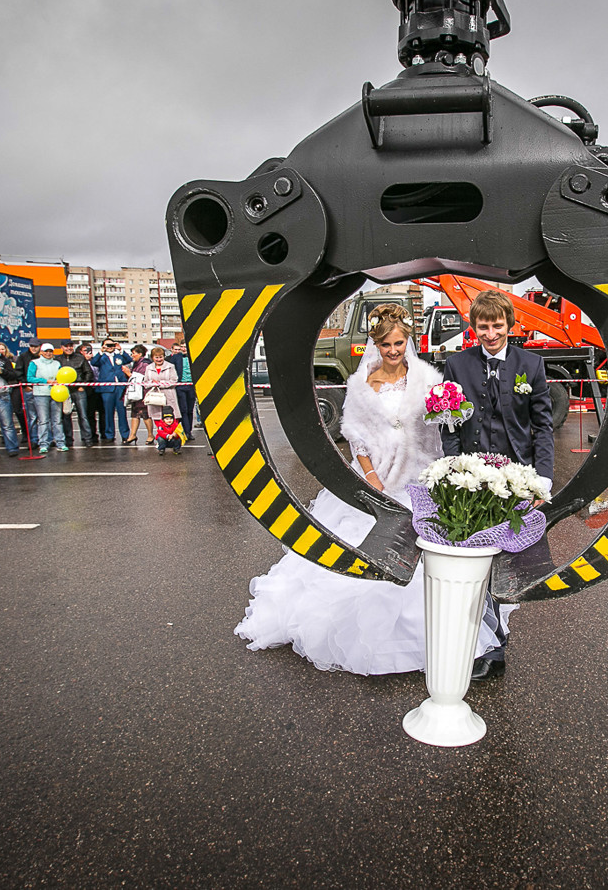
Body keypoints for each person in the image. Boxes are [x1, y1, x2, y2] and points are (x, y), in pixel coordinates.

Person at [235, 303, 513, 675]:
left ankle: (450, 635)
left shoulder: (427, 378)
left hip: (419, 475)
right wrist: (370, 477)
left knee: (434, 553)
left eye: (399, 343)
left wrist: (452, 413)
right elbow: (356, 436)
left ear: (407, 342)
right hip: (378, 477)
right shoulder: (361, 384)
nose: (393, 351)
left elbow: (442, 425)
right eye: (386, 345)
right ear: (376, 345)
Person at [440, 289, 554, 680]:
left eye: (497, 325)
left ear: (510, 325)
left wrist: (542, 478)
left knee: (505, 563)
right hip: (471, 480)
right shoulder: (457, 365)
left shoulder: (532, 365)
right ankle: (487, 646)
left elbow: (543, 428)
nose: (490, 334)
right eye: (483, 326)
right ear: (473, 327)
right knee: (475, 561)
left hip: (516, 480)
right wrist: (453, 469)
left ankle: (494, 642)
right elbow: (449, 424)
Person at [26, 343, 68, 453]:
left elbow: (61, 376)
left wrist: (59, 381)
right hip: (41, 394)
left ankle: (60, 442)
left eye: (50, 351)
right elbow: (30, 378)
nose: (48, 353)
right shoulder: (34, 363)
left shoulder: (57, 363)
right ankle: (43, 444)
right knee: (43, 420)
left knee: (57, 420)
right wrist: (46, 381)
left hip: (56, 393)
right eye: (46, 351)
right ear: (41, 352)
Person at [89, 338, 132, 443]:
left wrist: (120, 349)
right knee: (108, 412)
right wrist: (101, 351)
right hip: (107, 388)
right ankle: (109, 434)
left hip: (120, 387)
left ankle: (125, 434)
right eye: (107, 345)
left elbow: (129, 359)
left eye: (111, 345)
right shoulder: (101, 357)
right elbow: (93, 362)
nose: (110, 347)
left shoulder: (118, 356)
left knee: (122, 412)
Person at [57, 339, 96, 447]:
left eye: (70, 346)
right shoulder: (58, 359)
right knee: (65, 415)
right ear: (62, 347)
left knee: (83, 415)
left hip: (78, 390)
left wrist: (82, 385)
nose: (69, 348)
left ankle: (87, 438)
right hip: (64, 391)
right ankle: (68, 439)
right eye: (66, 346)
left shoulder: (80, 358)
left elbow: (88, 373)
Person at [142, 346, 182, 425]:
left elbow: (174, 380)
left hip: (169, 396)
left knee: (171, 419)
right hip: (154, 398)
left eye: (161, 357)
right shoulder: (148, 368)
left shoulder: (170, 366)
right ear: (152, 358)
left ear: (164, 357)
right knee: (158, 420)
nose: (159, 359)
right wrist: (152, 383)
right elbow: (145, 383)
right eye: (156, 357)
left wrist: (160, 383)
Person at [167, 341, 197, 441]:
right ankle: (186, 431)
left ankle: (189, 431)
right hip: (180, 386)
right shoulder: (176, 357)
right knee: (183, 409)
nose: (184, 349)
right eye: (182, 347)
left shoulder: (193, 356)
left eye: (185, 347)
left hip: (191, 386)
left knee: (190, 410)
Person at [15, 338, 43, 442]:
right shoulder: (23, 357)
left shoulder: (43, 356)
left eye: (36, 346)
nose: (34, 348)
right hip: (29, 389)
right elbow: (18, 372)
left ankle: (46, 439)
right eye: (32, 346)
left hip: (43, 388)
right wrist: (25, 386)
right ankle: (33, 439)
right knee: (32, 416)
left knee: (44, 417)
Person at [124, 344, 152, 444]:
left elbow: (140, 378)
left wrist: (128, 373)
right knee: (134, 414)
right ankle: (132, 435)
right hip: (136, 393)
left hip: (143, 392)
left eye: (134, 353)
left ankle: (150, 435)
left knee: (145, 414)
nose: (132, 356)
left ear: (140, 354)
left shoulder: (144, 364)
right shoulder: (136, 363)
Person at [78, 343, 106, 441]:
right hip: (88, 390)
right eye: (86, 350)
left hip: (100, 389)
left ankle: (104, 433)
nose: (89, 352)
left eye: (90, 350)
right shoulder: (80, 361)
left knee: (103, 413)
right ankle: (92, 434)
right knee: (90, 414)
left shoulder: (96, 360)